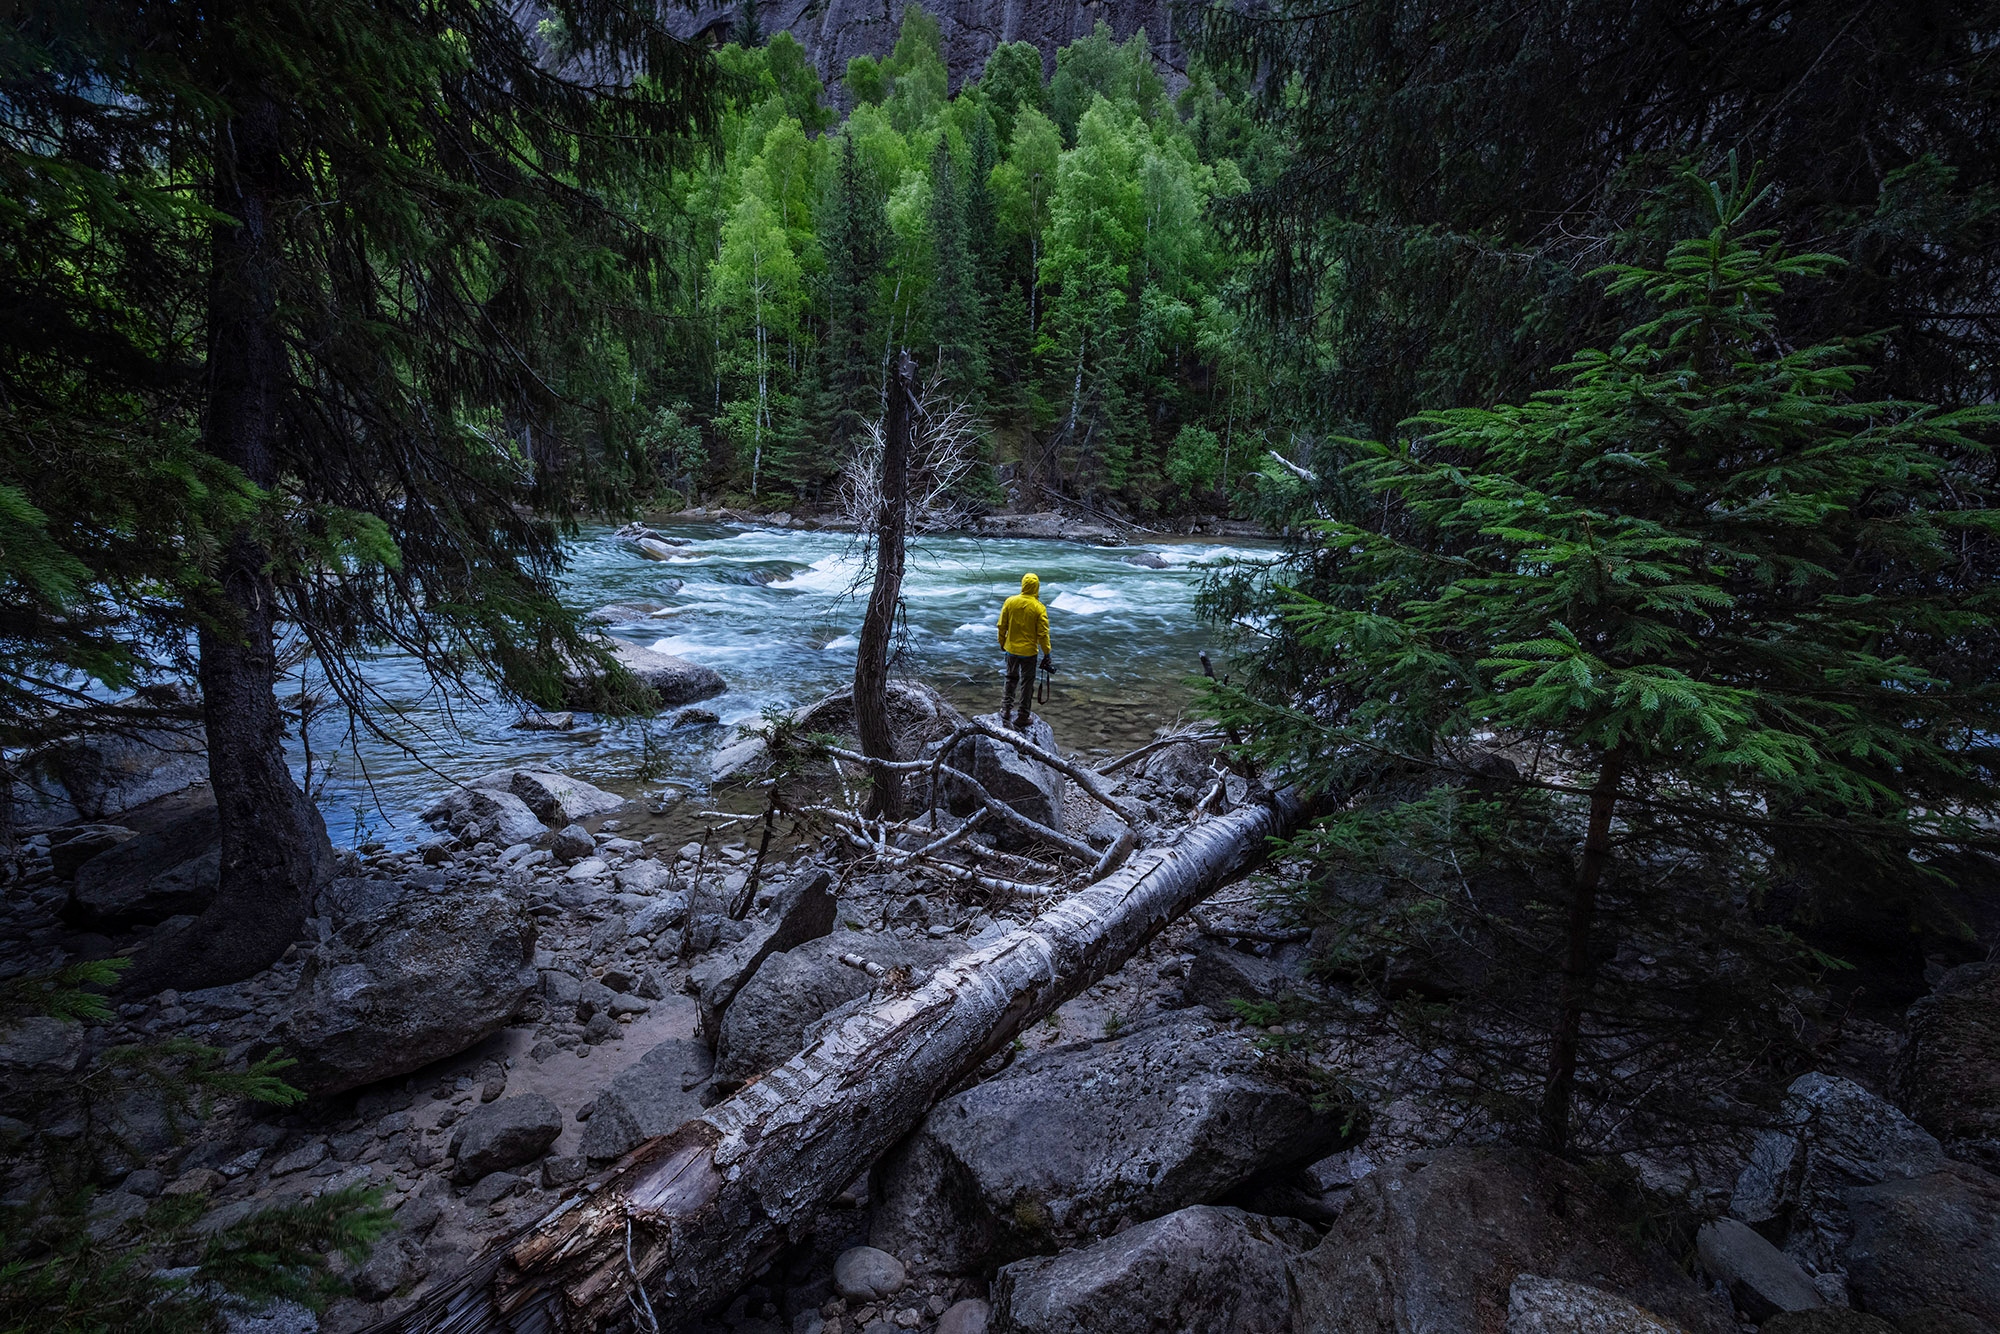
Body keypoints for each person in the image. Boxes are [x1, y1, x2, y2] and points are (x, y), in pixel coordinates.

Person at [997, 571, 1053, 730]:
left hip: (1011, 649)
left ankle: (1006, 710)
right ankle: (1023, 716)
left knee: (1010, 678)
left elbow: (1002, 625)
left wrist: (1002, 642)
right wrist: (1047, 653)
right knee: (1027, 683)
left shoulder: (1010, 602)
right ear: (1037, 588)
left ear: (1023, 585)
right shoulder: (1039, 607)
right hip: (1029, 652)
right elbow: (1043, 634)